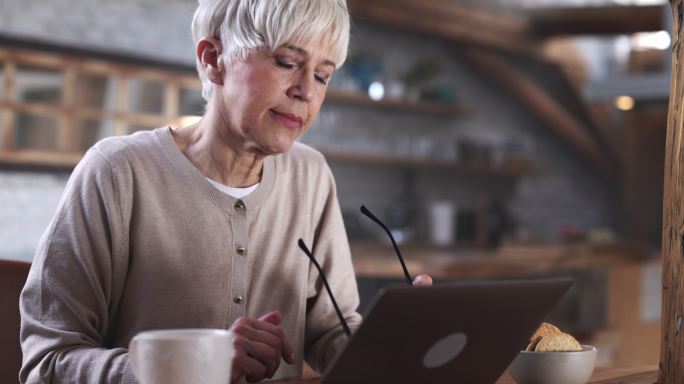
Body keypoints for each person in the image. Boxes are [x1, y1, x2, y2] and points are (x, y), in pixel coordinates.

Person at [19, 1, 432, 383]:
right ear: (213, 59)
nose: (306, 91)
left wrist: (392, 343)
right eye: (287, 62)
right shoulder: (115, 173)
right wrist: (197, 362)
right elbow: (48, 363)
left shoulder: (313, 175)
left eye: (322, 75)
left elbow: (330, 332)